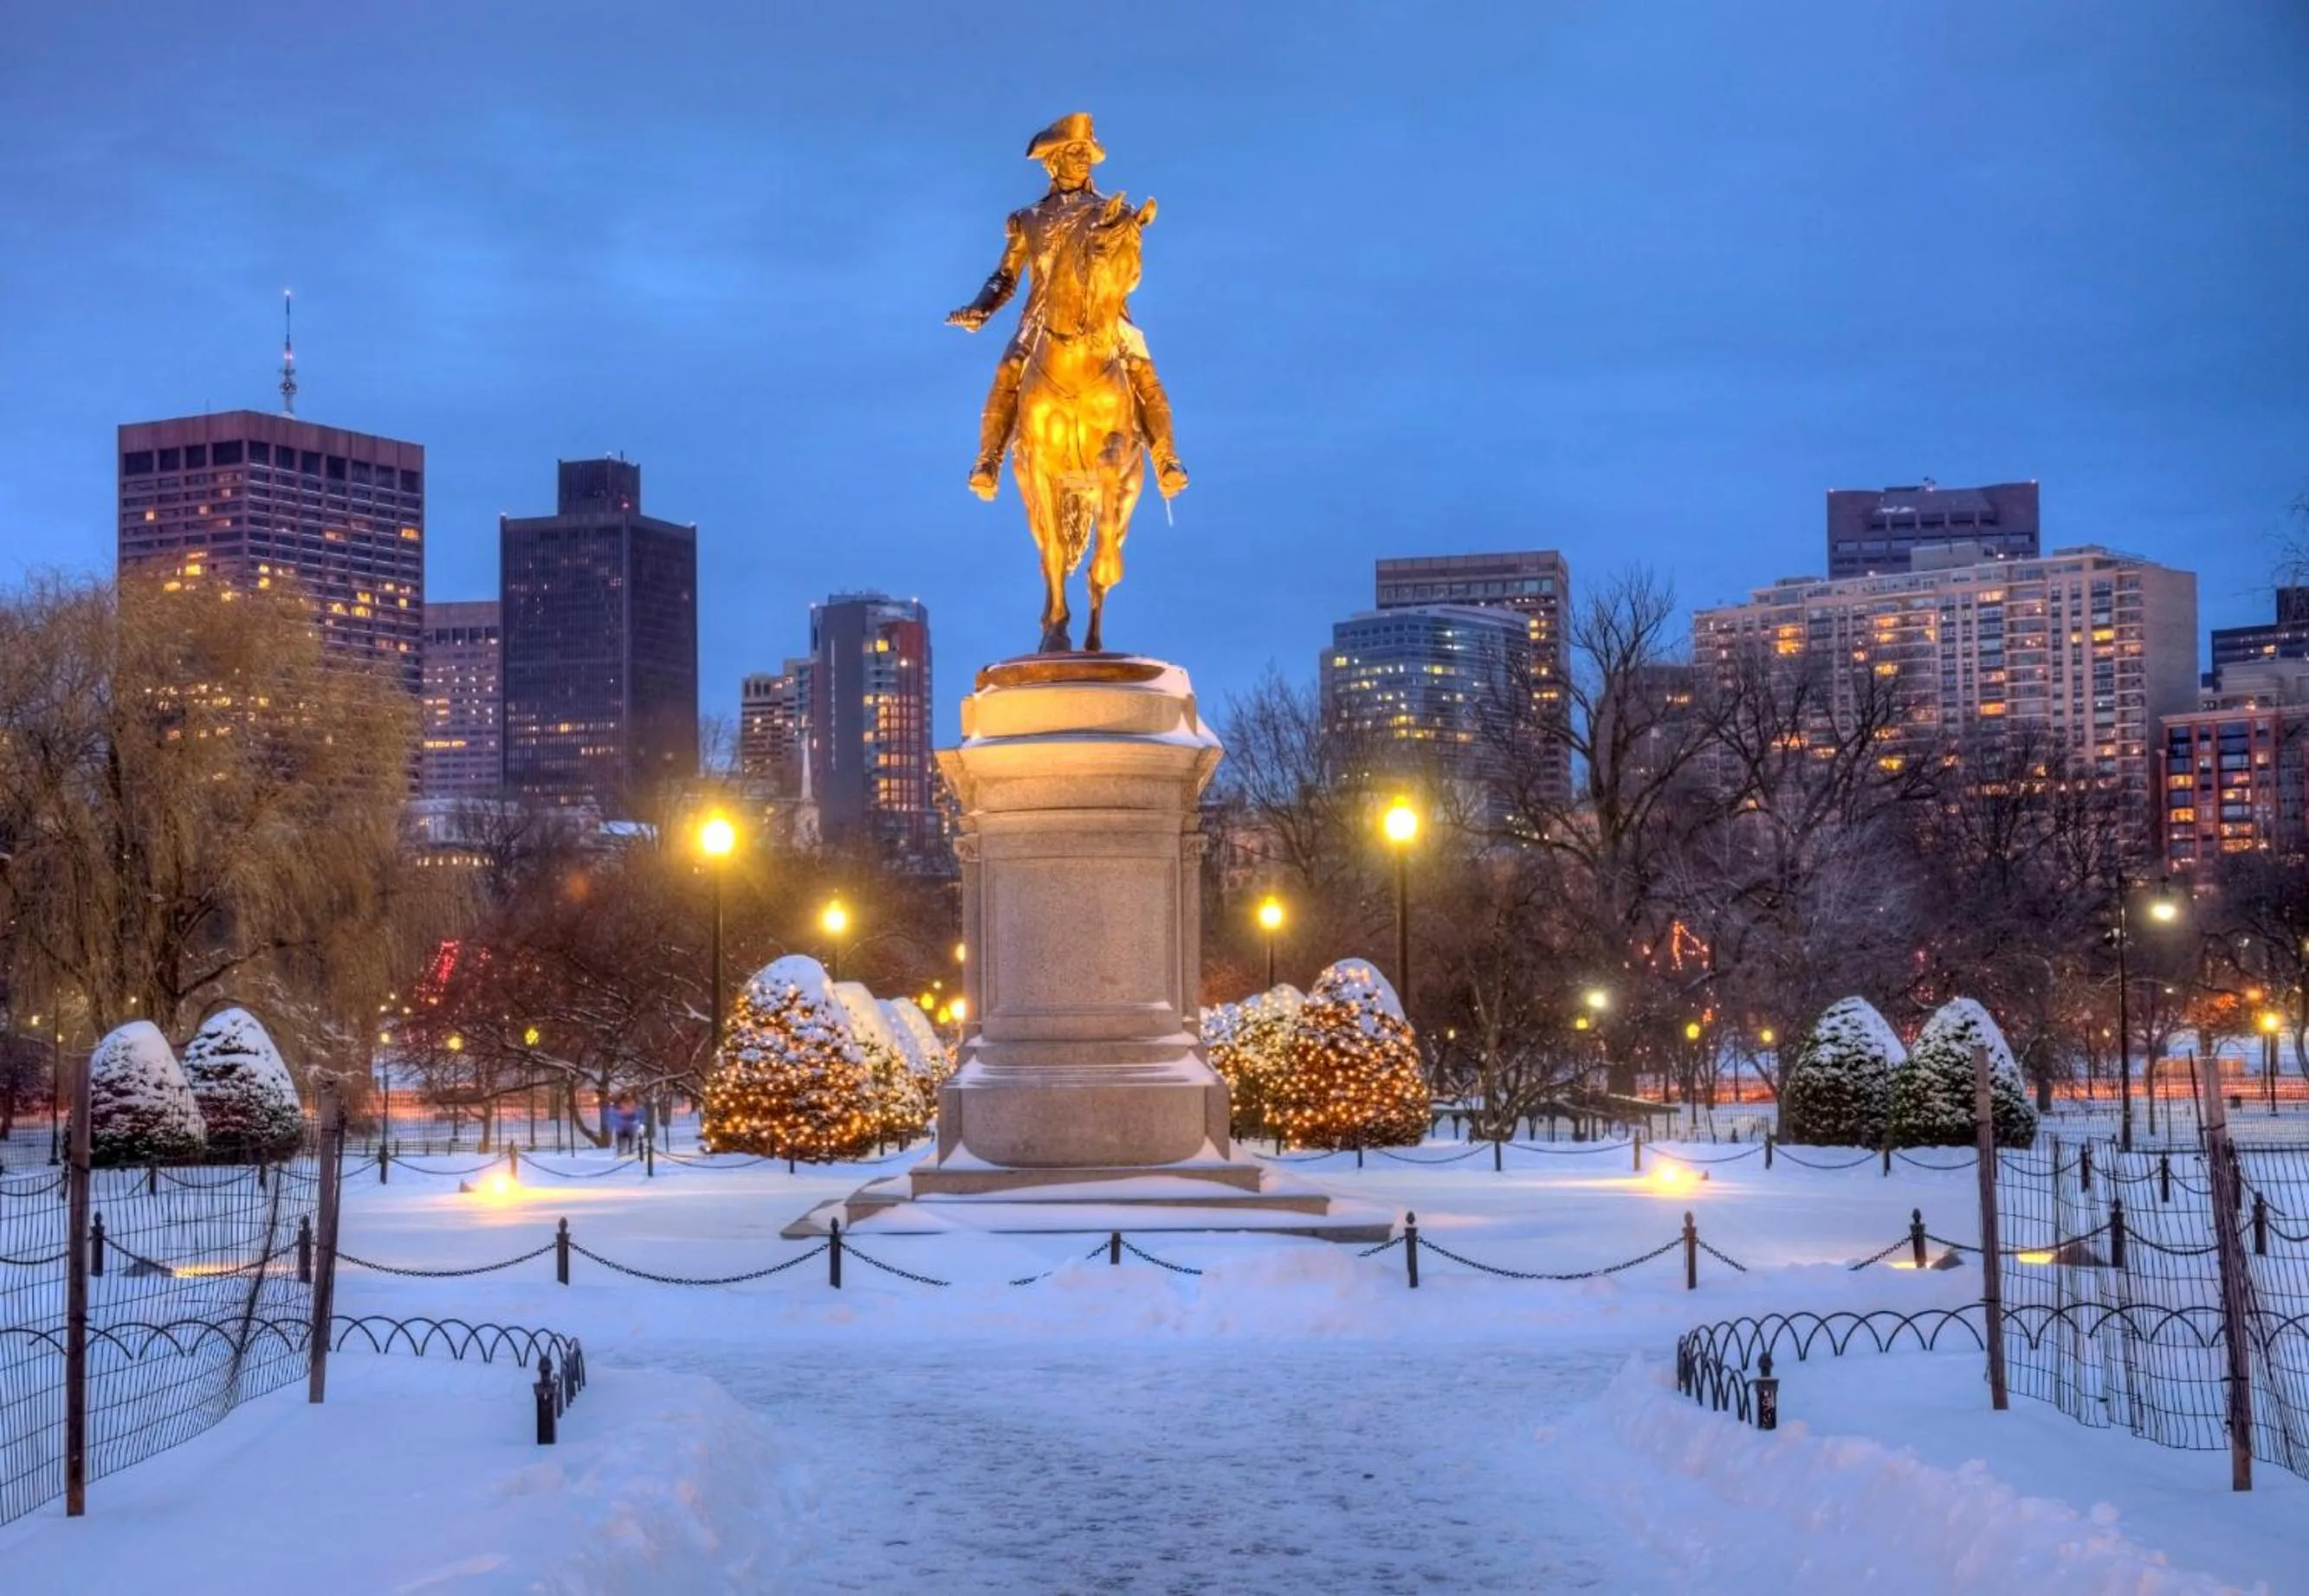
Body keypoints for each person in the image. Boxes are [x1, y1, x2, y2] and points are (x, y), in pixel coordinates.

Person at [948, 112, 1187, 502]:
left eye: (1087, 152)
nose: (1083, 158)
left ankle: (1165, 459)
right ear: (1053, 159)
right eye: (1075, 151)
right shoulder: (1029, 219)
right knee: (1009, 367)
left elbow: (1128, 267)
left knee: (1142, 367)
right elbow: (1004, 277)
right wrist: (980, 309)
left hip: (1105, 316)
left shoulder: (1114, 213)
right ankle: (988, 459)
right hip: (1041, 319)